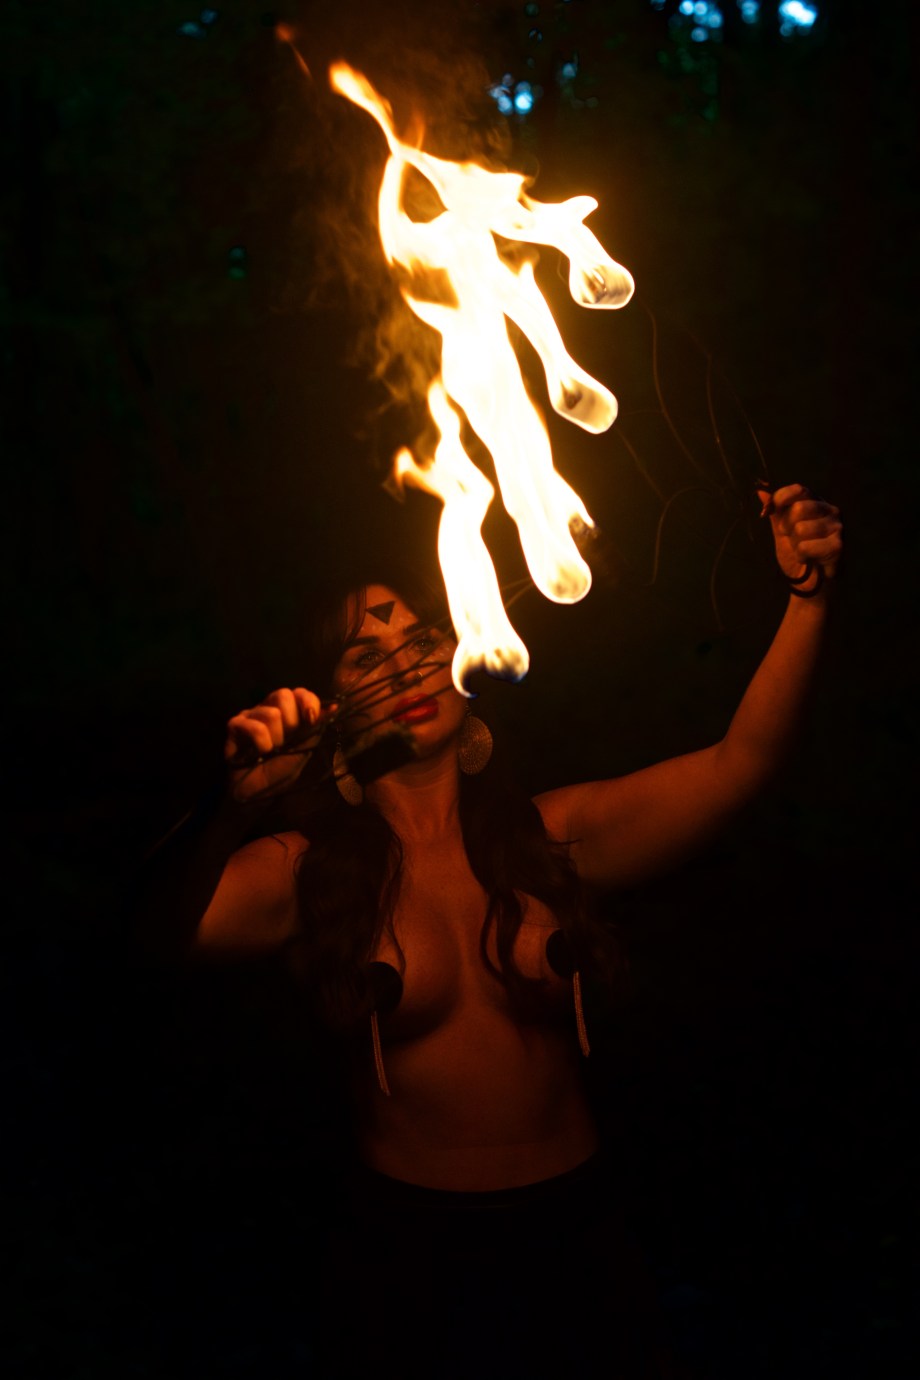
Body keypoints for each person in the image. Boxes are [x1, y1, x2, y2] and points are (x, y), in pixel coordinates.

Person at [138, 484, 842, 1377]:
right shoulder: (301, 869)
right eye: (366, 656)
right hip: (407, 1255)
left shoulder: (554, 837)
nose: (404, 664)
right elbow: (157, 941)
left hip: (578, 1235)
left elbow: (745, 763)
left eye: (421, 639)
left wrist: (807, 598)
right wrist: (224, 809)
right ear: (334, 706)